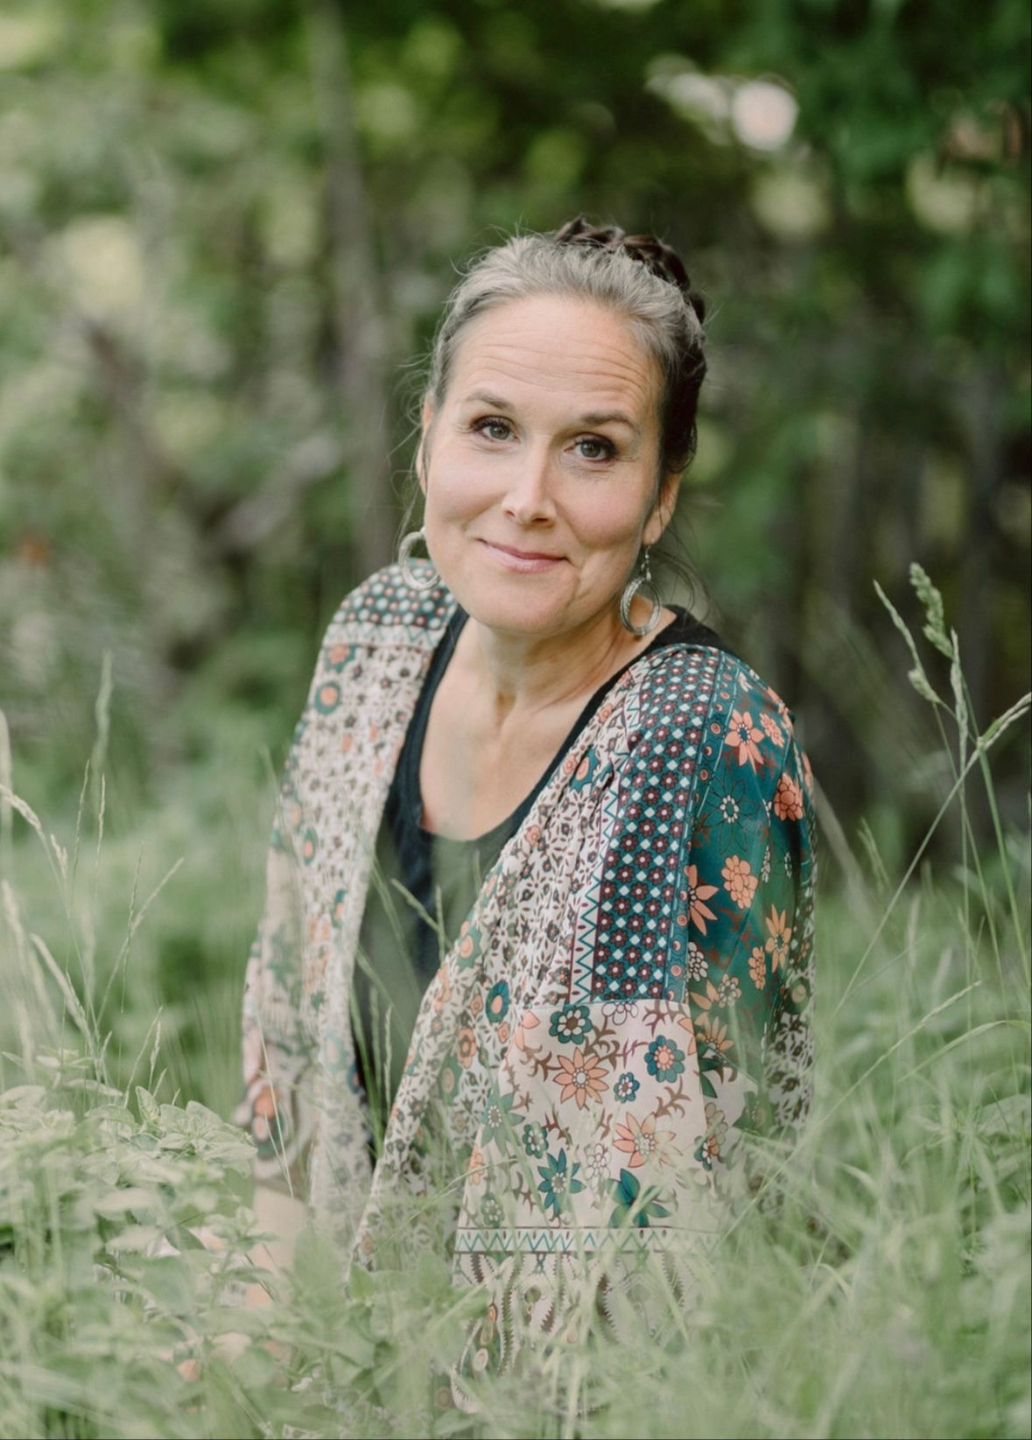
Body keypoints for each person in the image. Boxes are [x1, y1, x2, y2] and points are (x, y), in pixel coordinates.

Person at [235, 217, 817, 1391]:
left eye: (594, 449)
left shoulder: (698, 740)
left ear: (660, 497)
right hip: (341, 1360)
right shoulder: (376, 642)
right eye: (492, 429)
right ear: (427, 442)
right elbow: (288, 1097)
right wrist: (255, 1346)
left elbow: (670, 1226)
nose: (527, 497)